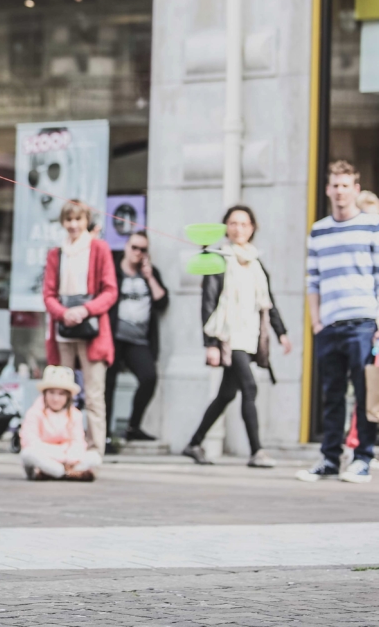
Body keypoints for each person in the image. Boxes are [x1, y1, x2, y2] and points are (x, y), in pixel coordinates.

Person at [181, 205, 289, 469]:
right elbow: (208, 303)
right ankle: (257, 451)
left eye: (243, 223)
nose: (238, 228)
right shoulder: (217, 259)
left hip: (251, 335)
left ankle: (194, 443)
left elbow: (267, 302)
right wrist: (211, 344)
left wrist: (281, 332)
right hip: (229, 337)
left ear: (252, 228)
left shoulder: (256, 262)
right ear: (226, 228)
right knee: (249, 387)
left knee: (227, 394)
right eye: (233, 223)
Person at [299, 161, 379, 483]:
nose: (340, 191)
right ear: (328, 189)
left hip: (363, 323)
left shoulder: (372, 226)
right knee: (331, 394)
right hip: (329, 326)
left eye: (346, 185)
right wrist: (316, 322)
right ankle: (329, 459)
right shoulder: (318, 230)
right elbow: (312, 281)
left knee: (365, 393)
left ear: (355, 189)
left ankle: (362, 459)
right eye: (335, 185)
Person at [42, 200, 118, 455]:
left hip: (92, 331)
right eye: (69, 220)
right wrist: (64, 313)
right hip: (63, 331)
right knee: (60, 392)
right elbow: (48, 294)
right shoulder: (56, 253)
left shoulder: (99, 249)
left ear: (86, 221)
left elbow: (110, 291)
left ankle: (95, 449)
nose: (73, 225)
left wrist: (85, 310)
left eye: (78, 219)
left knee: (95, 395)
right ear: (63, 223)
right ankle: (62, 444)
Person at [106, 230, 168, 446]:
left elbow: (162, 301)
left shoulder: (150, 274)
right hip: (113, 337)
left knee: (149, 377)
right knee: (107, 383)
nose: (138, 253)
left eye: (143, 249)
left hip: (138, 341)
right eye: (134, 247)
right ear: (126, 247)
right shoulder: (112, 270)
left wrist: (149, 276)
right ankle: (104, 432)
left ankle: (133, 427)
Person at [20, 365, 101, 481]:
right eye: (52, 393)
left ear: (68, 397)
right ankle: (67, 473)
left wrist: (69, 458)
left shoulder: (75, 414)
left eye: (61, 394)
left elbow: (77, 442)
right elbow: (31, 442)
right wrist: (60, 454)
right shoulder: (34, 412)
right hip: (46, 457)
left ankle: (56, 473)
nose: (56, 398)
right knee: (27, 454)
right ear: (45, 393)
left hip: (68, 459)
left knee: (94, 457)